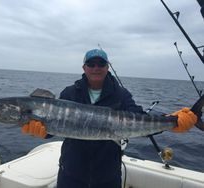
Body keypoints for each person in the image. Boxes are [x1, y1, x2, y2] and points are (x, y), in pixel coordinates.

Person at [21, 49, 197, 188]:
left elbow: (142, 121)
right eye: (91, 63)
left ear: (107, 67)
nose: (96, 67)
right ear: (84, 68)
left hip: (108, 176)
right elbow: (56, 127)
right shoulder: (69, 92)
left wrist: (171, 121)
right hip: (71, 173)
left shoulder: (121, 94)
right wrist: (42, 132)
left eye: (101, 63)